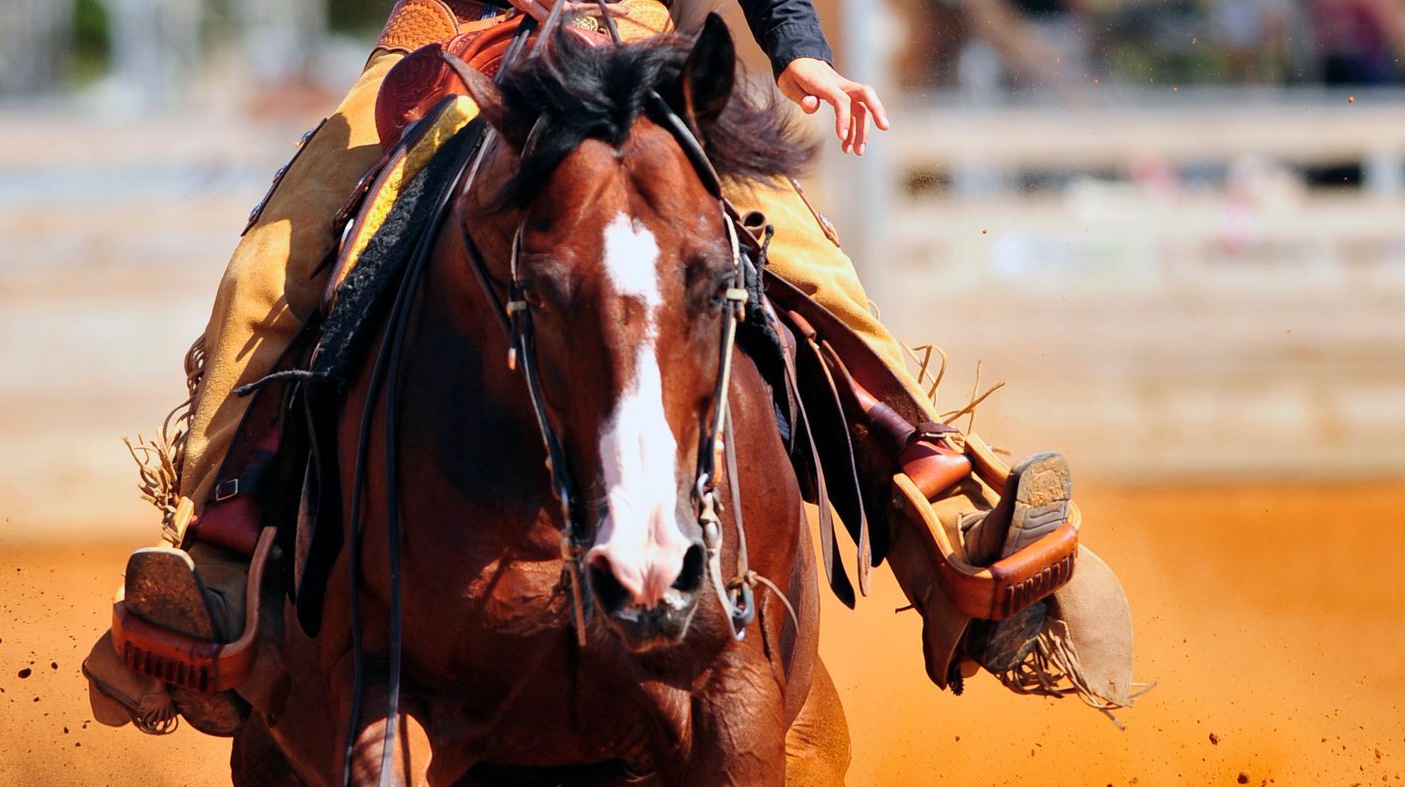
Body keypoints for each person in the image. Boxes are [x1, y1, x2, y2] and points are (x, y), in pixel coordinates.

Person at [85, 0, 1135, 736]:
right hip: (450, 46)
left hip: (628, 42)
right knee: (277, 263)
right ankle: (223, 561)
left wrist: (796, 45)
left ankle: (937, 508)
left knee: (794, 252)